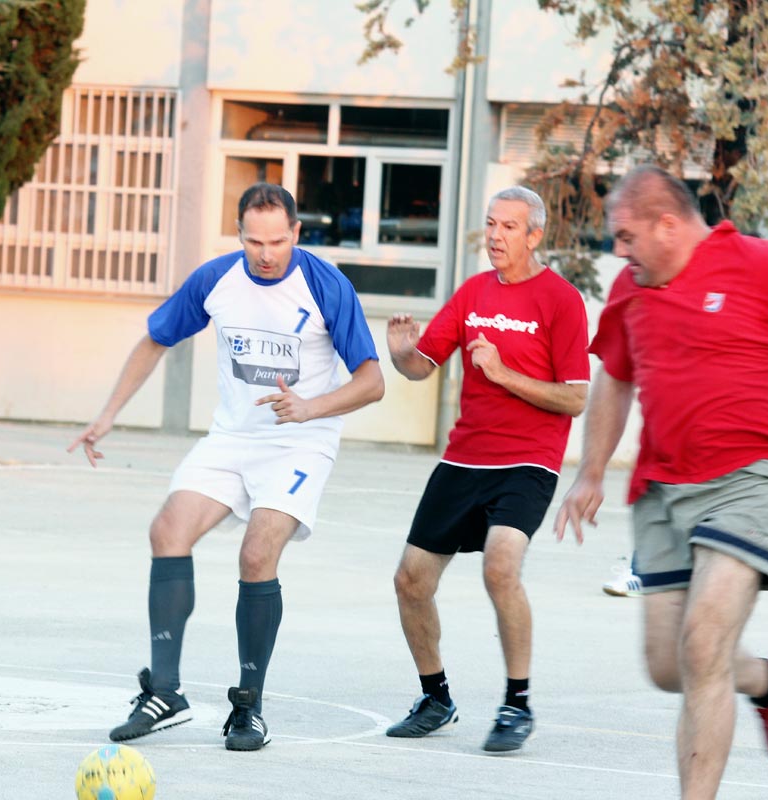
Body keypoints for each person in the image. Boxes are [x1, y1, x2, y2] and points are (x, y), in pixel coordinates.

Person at [555, 164, 768, 798]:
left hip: (754, 480)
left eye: (626, 236)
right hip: (663, 491)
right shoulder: (633, 289)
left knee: (703, 638)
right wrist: (590, 471)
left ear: (667, 223)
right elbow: (615, 377)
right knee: (667, 666)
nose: (618, 251)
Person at [68, 182, 384, 752]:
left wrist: (310, 407)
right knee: (167, 531)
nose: (266, 253)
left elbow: (371, 381)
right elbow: (154, 340)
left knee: (257, 553)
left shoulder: (324, 284)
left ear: (296, 233)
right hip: (233, 437)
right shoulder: (217, 280)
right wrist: (107, 414)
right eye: (254, 241)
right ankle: (165, 692)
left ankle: (249, 707)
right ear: (238, 234)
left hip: (300, 441)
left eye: (278, 241)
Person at [384, 186, 590, 752]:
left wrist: (503, 375)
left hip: (528, 461)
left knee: (501, 565)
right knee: (410, 580)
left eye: (508, 227)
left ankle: (516, 703)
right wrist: (403, 353)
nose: (495, 236)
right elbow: (422, 367)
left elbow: (575, 398)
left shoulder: (562, 301)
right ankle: (436, 698)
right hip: (464, 457)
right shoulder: (473, 293)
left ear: (534, 235)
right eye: (490, 224)